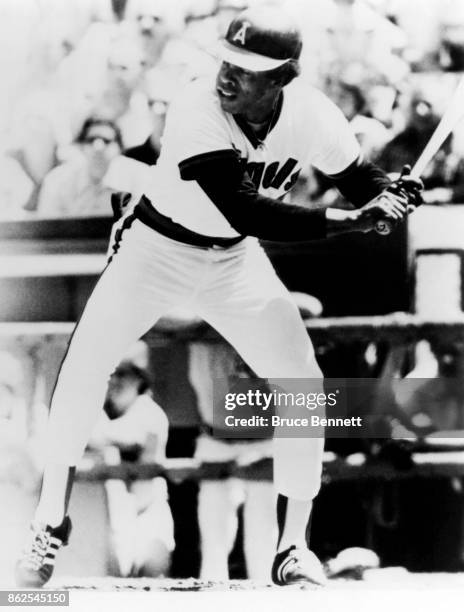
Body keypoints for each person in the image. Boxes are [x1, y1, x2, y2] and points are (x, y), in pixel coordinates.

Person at [16, 6, 422, 588]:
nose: (229, 75)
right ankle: (49, 521)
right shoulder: (195, 104)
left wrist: (392, 194)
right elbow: (245, 207)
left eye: (249, 69)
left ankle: (292, 547)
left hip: (232, 259)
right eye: (227, 60)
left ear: (283, 78)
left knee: (302, 379)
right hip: (155, 247)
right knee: (83, 366)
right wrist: (352, 220)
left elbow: (360, 179)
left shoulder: (311, 114)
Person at [87, 353, 174, 578]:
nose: (115, 381)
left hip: (149, 512)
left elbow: (130, 439)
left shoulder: (149, 411)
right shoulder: (111, 415)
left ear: (140, 379)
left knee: (152, 583)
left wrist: (92, 426)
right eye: (112, 374)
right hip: (120, 517)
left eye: (123, 374)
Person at [37, 118, 123, 218]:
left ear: (120, 148)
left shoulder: (139, 176)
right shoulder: (57, 180)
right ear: (80, 146)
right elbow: (47, 229)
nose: (98, 147)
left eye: (107, 141)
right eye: (91, 140)